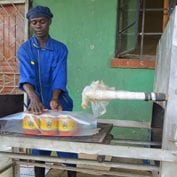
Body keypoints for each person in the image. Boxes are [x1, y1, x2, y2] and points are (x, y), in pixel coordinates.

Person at [17, 5, 77, 177]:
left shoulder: (60, 49)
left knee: (66, 145)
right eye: (34, 22)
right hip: (36, 106)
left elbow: (60, 75)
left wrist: (55, 97)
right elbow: (26, 77)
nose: (38, 25)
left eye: (42, 21)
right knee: (38, 148)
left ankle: (72, 174)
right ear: (30, 24)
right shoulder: (25, 50)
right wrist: (33, 98)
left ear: (49, 22)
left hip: (60, 103)